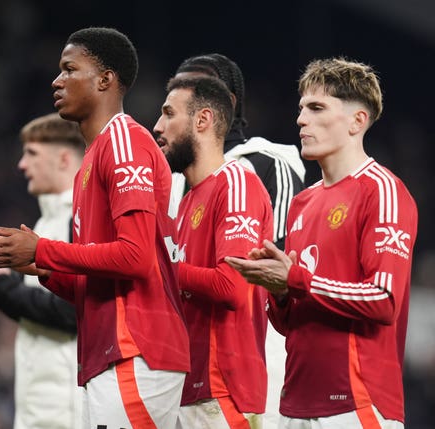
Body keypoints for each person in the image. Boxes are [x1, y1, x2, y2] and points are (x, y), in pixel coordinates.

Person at [0, 27, 190, 429]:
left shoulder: (124, 142)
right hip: (110, 351)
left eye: (69, 69)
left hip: (137, 348)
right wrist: (45, 271)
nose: (56, 81)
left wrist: (43, 250)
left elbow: (135, 256)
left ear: (106, 80)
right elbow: (96, 283)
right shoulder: (91, 162)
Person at [226, 57, 418, 428]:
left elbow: (384, 300)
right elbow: (290, 324)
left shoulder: (383, 191)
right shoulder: (302, 202)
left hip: (356, 404)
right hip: (294, 405)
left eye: (316, 108)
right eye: (301, 109)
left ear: (357, 121)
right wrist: (278, 293)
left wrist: (296, 280)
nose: (301, 120)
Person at [171, 53, 304, 427]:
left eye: (193, 90)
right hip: (189, 363)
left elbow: (270, 264)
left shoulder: (262, 162)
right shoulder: (181, 180)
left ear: (222, 104)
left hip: (254, 353)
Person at [154, 74, 273, 428]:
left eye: (168, 114)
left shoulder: (237, 182)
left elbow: (231, 285)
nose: (158, 126)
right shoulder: (188, 200)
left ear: (202, 120)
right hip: (187, 388)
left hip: (223, 393)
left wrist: (157, 268)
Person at [0, 112, 84, 429]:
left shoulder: (79, 219)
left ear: (64, 159)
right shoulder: (46, 222)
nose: (22, 165)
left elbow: (73, 313)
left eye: (32, 154)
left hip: (68, 404)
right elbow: (41, 308)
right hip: (46, 401)